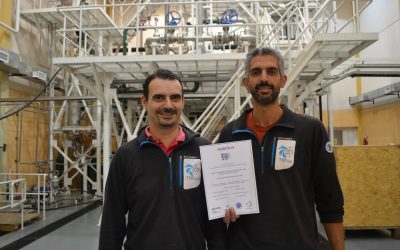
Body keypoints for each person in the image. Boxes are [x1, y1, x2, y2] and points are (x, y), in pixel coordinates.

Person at [219, 47, 345, 250]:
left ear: (283, 80)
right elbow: (221, 199)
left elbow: (330, 202)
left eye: (271, 71)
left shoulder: (310, 131)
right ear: (246, 83)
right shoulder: (229, 135)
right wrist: (223, 210)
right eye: (256, 72)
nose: (263, 78)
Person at [99, 69, 227, 250]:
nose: (168, 105)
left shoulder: (204, 150)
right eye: (159, 98)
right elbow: (112, 224)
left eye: (175, 98)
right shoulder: (125, 156)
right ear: (145, 101)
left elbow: (215, 225)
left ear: (183, 101)